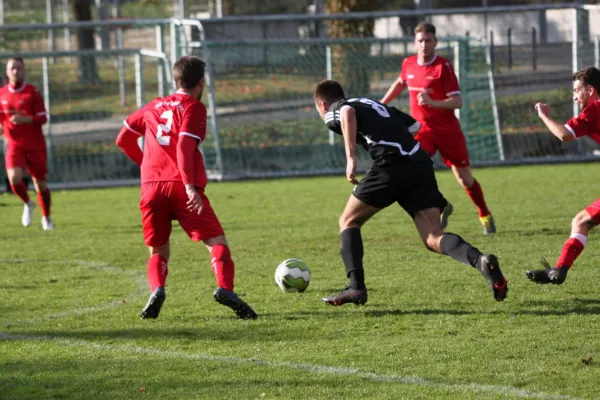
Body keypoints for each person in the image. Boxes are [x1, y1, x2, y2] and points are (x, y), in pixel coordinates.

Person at [314, 80, 508, 306]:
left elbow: (346, 113)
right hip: (419, 163)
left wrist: (351, 161)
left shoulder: (335, 108)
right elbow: (414, 126)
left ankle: (356, 288)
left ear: (321, 104)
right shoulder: (373, 104)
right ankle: (481, 261)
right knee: (433, 237)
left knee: (348, 221)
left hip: (390, 164)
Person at [116, 55, 258, 319]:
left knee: (158, 248)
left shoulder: (153, 106)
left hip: (151, 187)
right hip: (182, 186)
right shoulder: (193, 108)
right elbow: (183, 146)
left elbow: (123, 139)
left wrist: (146, 165)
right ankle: (225, 289)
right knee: (216, 240)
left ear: (176, 79)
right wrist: (190, 185)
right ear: (201, 82)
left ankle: (157, 289)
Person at [380, 22, 495, 235]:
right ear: (415, 42)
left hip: (447, 132)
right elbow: (400, 82)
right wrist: (382, 103)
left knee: (465, 178)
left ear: (435, 42)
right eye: (420, 41)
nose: (424, 45)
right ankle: (441, 205)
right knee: (414, 167)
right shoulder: (408, 63)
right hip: (423, 131)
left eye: (428, 40)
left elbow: (458, 102)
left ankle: (484, 214)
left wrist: (433, 102)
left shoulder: (443, 67)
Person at [526, 66, 600, 285]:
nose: (574, 96)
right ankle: (558, 270)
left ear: (591, 89)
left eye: (577, 90)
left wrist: (544, 115)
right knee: (580, 221)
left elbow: (564, 134)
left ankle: (559, 270)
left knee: (580, 221)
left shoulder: (594, 109)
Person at [0, 57, 53, 230]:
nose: (16, 71)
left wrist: (25, 119)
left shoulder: (32, 92)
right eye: (12, 68)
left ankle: (46, 218)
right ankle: (28, 203)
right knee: (14, 178)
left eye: (19, 68)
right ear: (7, 72)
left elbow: (43, 117)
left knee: (40, 183)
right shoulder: (2, 94)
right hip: (15, 144)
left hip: (35, 144)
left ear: (24, 71)